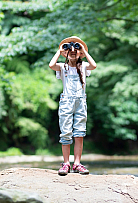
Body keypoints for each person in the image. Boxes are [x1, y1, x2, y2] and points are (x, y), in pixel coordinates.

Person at [49, 36, 96, 175]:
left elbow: (94, 65)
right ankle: (65, 164)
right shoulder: (63, 67)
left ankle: (77, 163)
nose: (73, 51)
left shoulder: (84, 66)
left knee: (79, 133)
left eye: (76, 50)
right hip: (66, 102)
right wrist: (60, 51)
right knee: (66, 133)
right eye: (70, 50)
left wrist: (83, 51)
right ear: (66, 53)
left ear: (80, 53)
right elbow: (51, 65)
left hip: (81, 102)